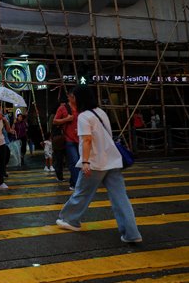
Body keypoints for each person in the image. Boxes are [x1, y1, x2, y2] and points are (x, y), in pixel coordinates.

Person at [56, 85, 142, 244]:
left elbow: (87, 141)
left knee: (81, 193)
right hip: (113, 161)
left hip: (95, 163)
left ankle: (70, 220)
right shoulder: (101, 112)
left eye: (72, 97)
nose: (70, 99)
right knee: (120, 198)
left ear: (79, 98)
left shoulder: (83, 117)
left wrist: (86, 162)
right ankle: (132, 233)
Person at [53, 90, 79, 190]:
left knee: (78, 163)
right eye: (73, 96)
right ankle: (76, 184)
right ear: (68, 97)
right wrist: (66, 119)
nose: (75, 99)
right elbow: (55, 121)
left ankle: (73, 183)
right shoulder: (63, 108)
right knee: (75, 160)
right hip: (69, 139)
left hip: (80, 138)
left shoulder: (81, 107)